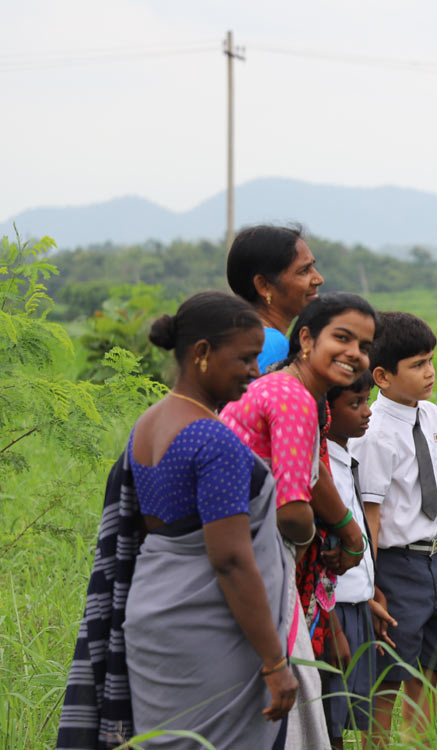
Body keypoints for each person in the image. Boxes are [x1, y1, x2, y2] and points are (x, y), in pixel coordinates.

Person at [61, 291, 297, 749]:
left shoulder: (149, 423)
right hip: (210, 634)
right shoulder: (214, 441)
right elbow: (230, 560)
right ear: (202, 353)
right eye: (245, 358)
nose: (255, 371)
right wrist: (274, 662)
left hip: (153, 616)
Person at [221, 292, 377, 748]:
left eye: (364, 346)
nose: (355, 354)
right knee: (290, 695)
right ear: (306, 339)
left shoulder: (283, 387)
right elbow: (292, 511)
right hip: (256, 560)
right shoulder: (293, 399)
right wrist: (314, 542)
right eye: (342, 338)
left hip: (239, 553)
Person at [348, 311, 437, 747]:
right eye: (417, 364)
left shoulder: (431, 415)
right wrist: (372, 582)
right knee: (390, 672)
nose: (429, 372)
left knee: (429, 667)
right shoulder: (373, 432)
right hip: (397, 565)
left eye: (430, 361)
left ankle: (420, 742)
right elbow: (370, 515)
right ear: (382, 376)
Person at [320, 370, 390, 749]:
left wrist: (369, 592)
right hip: (332, 613)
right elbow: (320, 556)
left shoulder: (344, 459)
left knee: (342, 720)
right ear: (325, 411)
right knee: (327, 723)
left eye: (367, 401)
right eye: (355, 403)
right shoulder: (323, 469)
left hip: (353, 607)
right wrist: (333, 625)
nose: (367, 412)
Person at [226, 224, 324, 372]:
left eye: (313, 267)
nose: (319, 279)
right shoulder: (272, 345)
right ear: (264, 285)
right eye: (304, 271)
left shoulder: (235, 336)